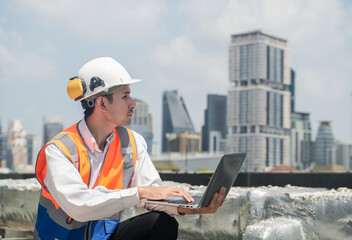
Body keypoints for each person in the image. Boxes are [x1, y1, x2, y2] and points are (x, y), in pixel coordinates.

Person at [34, 57, 225, 240]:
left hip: (102, 237)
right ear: (101, 103)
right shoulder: (60, 150)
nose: (133, 104)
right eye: (125, 96)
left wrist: (191, 207)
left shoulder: (132, 143)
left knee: (161, 223)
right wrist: (140, 193)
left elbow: (153, 195)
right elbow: (79, 206)